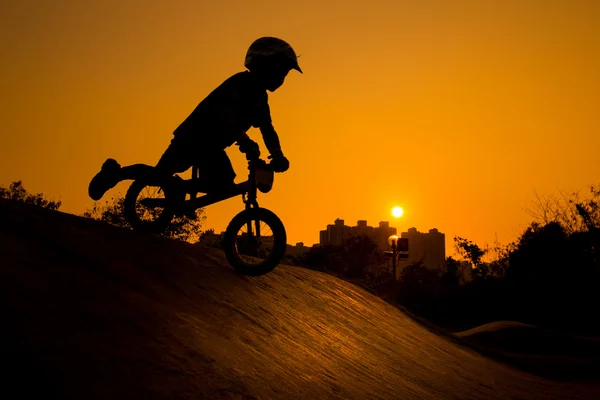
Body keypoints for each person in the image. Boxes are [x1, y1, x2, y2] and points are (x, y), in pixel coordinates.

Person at [88, 36, 302, 202]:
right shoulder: (241, 84)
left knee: (216, 184)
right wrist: (244, 140)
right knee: (162, 175)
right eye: (280, 72)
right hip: (194, 138)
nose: (282, 79)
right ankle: (115, 173)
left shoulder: (260, 98)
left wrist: (277, 155)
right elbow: (223, 115)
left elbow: (267, 129)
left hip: (210, 145)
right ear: (264, 66)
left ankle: (178, 188)